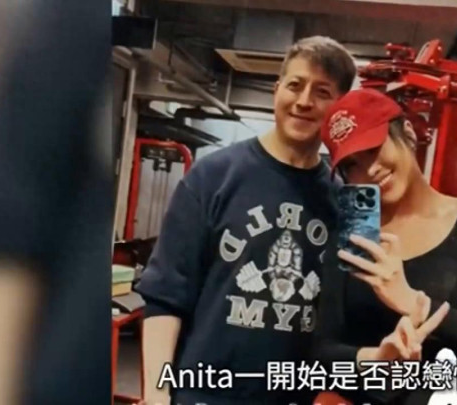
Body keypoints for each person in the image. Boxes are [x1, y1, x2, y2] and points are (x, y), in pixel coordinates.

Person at [133, 36, 356, 405]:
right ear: (276, 89)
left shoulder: (342, 200)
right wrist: (157, 396)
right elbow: (166, 296)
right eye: (295, 85)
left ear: (340, 107)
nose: (304, 101)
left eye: (322, 92)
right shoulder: (213, 177)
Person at [313, 89, 457, 404]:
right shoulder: (353, 241)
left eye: (374, 149)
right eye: (353, 165)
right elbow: (323, 353)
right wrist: (375, 358)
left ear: (408, 133)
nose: (370, 170)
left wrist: (416, 304)